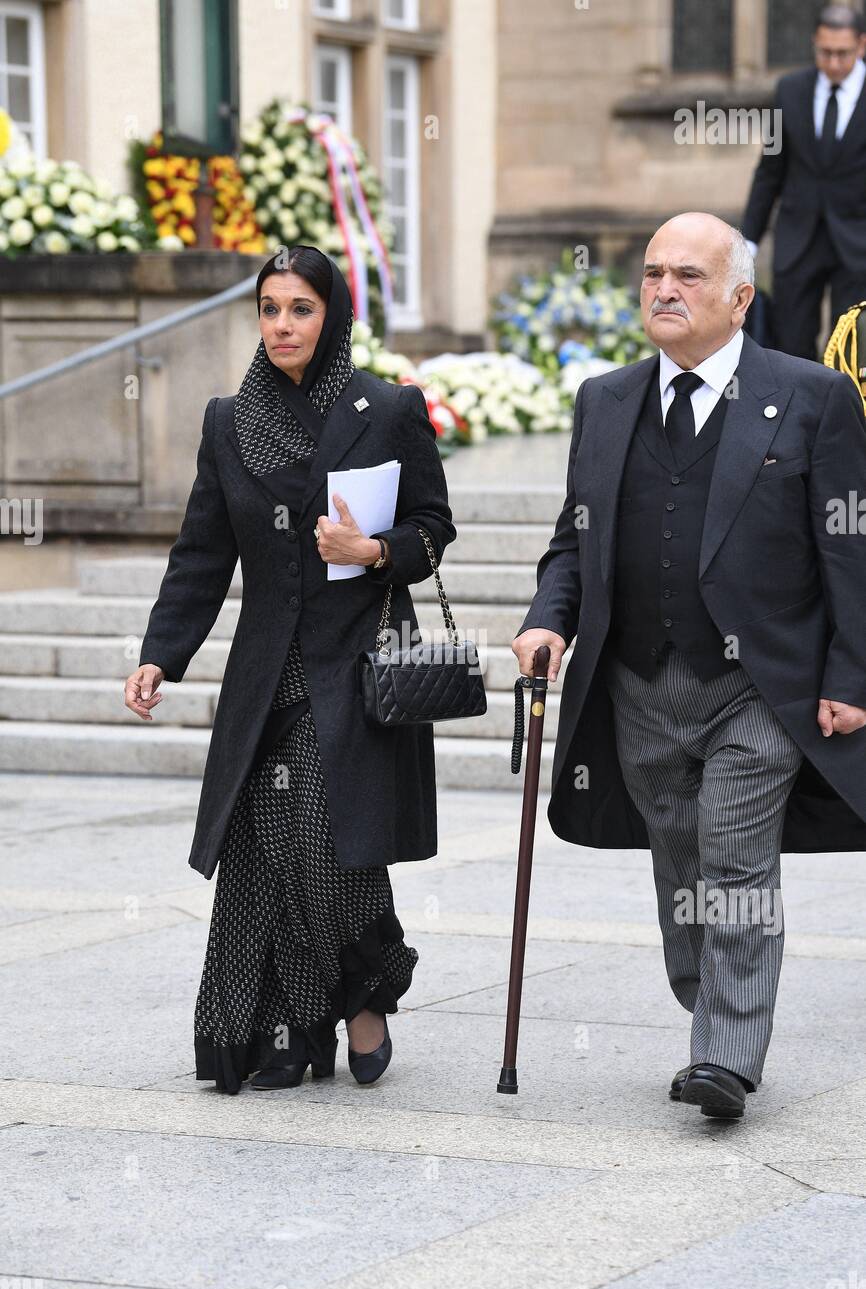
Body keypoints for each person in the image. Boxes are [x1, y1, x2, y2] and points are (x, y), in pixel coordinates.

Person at [512, 212, 866, 1121]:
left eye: (690, 277)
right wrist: (547, 621)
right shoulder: (604, 399)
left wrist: (851, 677)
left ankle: (726, 1054)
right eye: (654, 275)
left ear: (740, 298)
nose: (665, 290)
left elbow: (851, 549)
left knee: (739, 859)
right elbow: (572, 542)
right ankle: (707, 1001)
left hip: (759, 684)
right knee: (680, 859)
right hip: (638, 683)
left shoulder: (812, 395)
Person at [124, 245, 456, 1094]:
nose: (282, 325)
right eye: (269, 309)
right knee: (265, 849)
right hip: (264, 672)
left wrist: (375, 549)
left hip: (353, 667)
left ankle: (366, 995)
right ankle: (287, 1028)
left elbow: (433, 529)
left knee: (320, 840)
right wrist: (161, 654)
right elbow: (201, 555)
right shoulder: (226, 423)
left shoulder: (386, 409)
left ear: (331, 316)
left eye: (299, 309)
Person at [742, 3, 866, 360]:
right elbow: (770, 171)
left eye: (842, 53)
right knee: (789, 347)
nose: (833, 62)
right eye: (825, 52)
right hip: (798, 239)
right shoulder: (790, 90)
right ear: (815, 43)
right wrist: (748, 240)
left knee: (851, 348)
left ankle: (847, 418)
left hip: (857, 243)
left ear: (861, 45)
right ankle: (797, 417)